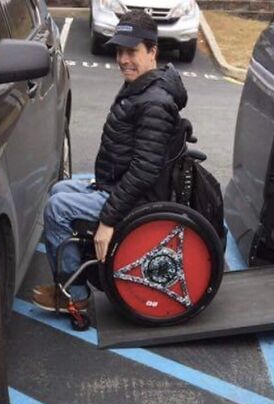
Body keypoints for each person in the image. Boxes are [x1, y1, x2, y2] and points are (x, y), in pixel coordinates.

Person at [31, 10, 188, 313]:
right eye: (119, 51)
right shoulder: (141, 86)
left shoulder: (155, 102)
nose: (123, 59)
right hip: (118, 184)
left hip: (139, 199)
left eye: (132, 51)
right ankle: (78, 267)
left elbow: (144, 171)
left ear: (152, 51)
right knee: (59, 189)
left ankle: (74, 296)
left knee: (57, 208)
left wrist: (108, 221)